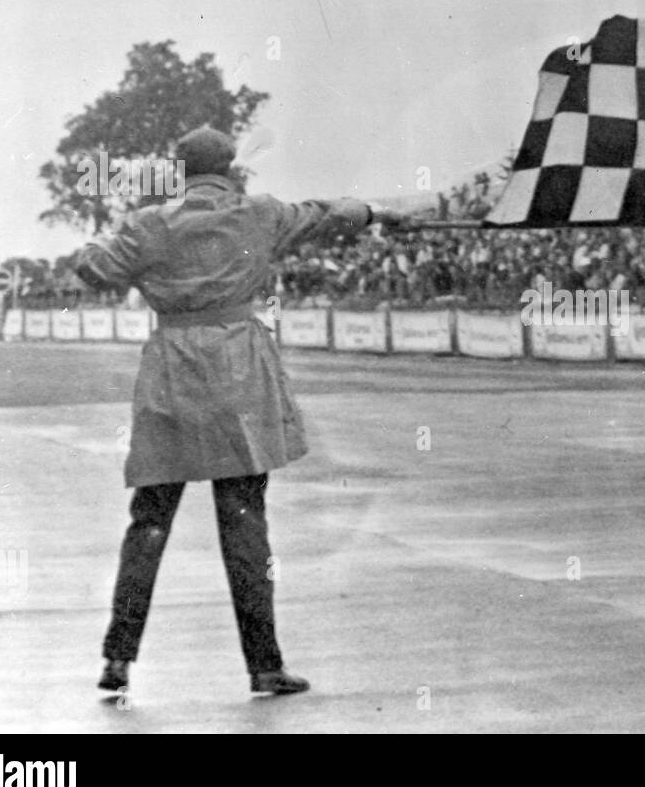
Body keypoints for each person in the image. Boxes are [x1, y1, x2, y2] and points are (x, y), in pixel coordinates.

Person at [74, 126, 405, 697]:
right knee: (246, 521)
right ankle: (264, 665)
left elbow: (93, 270)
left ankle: (119, 659)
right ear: (230, 167)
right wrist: (377, 211)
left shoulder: (152, 224)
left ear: (180, 171)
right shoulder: (259, 214)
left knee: (149, 521)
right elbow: (332, 214)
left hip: (172, 374)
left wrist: (102, 245)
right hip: (238, 373)